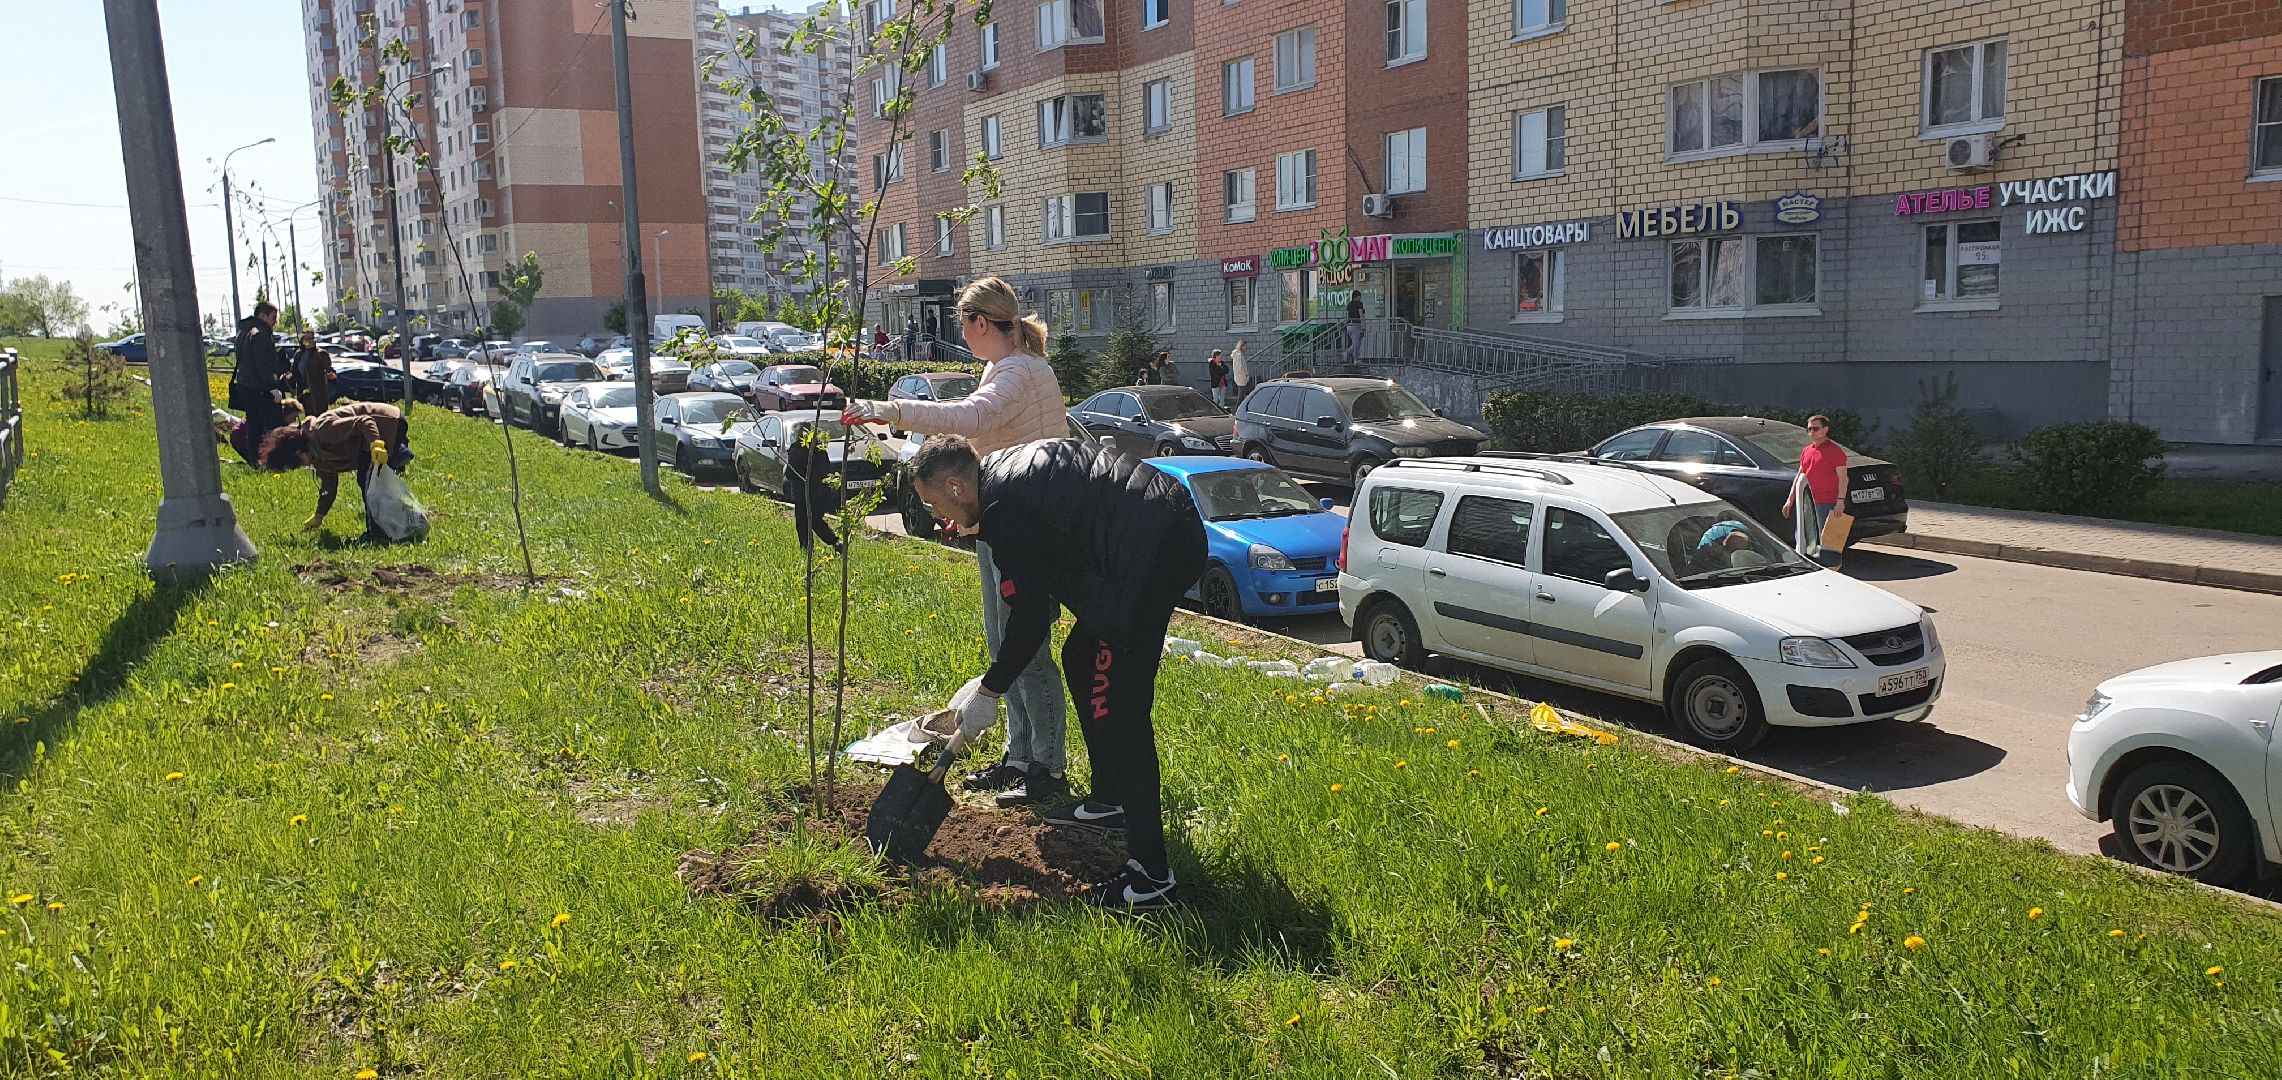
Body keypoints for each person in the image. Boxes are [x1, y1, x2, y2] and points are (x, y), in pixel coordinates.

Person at [909, 433, 1208, 910]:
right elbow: (1039, 600)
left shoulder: (1005, 507)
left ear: (955, 485)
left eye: (934, 503)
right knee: (1079, 657)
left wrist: (991, 691)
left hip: (1152, 550)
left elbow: (1029, 618)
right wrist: (989, 683)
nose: (938, 516)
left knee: (1120, 712)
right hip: (1148, 534)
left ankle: (1152, 878)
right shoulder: (1001, 483)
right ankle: (1110, 801)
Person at [845, 277, 1071, 807]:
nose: (962, 335)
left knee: (1027, 649)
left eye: (962, 325)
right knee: (1001, 644)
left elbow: (972, 418)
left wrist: (891, 410)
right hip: (1001, 522)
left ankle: (1048, 767)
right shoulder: (1000, 368)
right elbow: (977, 439)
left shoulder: (1022, 371)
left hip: (1032, 530)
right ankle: (1019, 755)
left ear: (979, 322)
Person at [260, 400, 412, 540]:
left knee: (368, 480)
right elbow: (329, 486)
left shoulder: (324, 431)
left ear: (298, 452)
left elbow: (364, 421)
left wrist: (375, 444)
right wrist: (319, 515)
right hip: (368, 441)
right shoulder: (318, 458)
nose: (302, 467)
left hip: (388, 422)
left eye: (297, 464)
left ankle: (378, 535)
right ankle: (397, 527)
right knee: (373, 479)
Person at [1782, 414, 1849, 562]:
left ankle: (1829, 566)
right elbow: (1799, 477)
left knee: (1827, 541)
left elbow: (1843, 479)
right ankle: (1811, 563)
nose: (1812, 432)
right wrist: (1790, 500)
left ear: (1825, 430)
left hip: (1828, 502)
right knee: (1808, 537)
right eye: (1809, 429)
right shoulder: (1806, 451)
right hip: (1808, 501)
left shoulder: (1835, 451)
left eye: (1816, 428)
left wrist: (1840, 501)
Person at [228, 302, 288, 439]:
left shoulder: (243, 333)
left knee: (254, 425)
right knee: (270, 426)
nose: (275, 322)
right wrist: (272, 387)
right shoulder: (259, 334)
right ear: (262, 316)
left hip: (246, 386)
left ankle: (255, 457)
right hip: (259, 389)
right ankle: (270, 456)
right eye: (273, 317)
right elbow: (263, 363)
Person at [784, 422, 842, 554]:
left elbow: (790, 474)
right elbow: (826, 469)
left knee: (803, 523)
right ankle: (835, 542)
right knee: (816, 521)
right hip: (820, 493)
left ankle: (806, 549)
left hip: (802, 494)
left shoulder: (796, 449)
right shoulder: (819, 448)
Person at [296, 328, 336, 414]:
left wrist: (331, 375)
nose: (310, 341)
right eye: (307, 338)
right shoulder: (299, 354)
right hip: (303, 391)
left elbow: (330, 369)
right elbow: (294, 371)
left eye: (312, 338)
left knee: (320, 417)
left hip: (318, 392)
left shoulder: (320, 353)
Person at [1344, 290, 1366, 364]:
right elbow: (1361, 314)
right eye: (1359, 296)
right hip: (1356, 325)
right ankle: (1353, 357)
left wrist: (1346, 324)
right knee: (1357, 343)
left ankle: (1354, 357)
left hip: (1349, 325)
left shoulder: (1349, 304)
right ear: (1357, 296)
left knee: (1355, 343)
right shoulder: (1359, 304)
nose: (1360, 298)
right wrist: (1363, 325)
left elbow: (1346, 316)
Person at [1229, 341, 1251, 406]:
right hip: (1241, 377)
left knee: (1242, 395)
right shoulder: (1239, 355)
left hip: (1241, 377)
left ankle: (1240, 408)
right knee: (1241, 396)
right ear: (1241, 346)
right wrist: (1245, 374)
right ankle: (1237, 410)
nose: (1246, 347)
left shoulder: (1239, 354)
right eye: (1245, 346)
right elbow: (1239, 367)